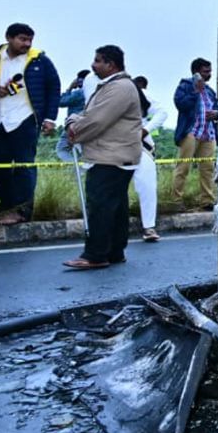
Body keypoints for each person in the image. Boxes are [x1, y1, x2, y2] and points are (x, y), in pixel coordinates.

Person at [62, 45, 142, 270]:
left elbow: (96, 121)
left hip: (111, 155)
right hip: (117, 154)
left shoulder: (119, 88)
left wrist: (73, 128)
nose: (93, 65)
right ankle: (115, 252)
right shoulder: (116, 86)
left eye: (98, 61)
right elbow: (91, 115)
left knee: (100, 206)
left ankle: (95, 255)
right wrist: (78, 120)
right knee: (115, 206)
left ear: (111, 64)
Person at [0, 23, 61, 225]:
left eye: (30, 40)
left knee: (25, 166)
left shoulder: (39, 60)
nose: (27, 43)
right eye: (22, 39)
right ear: (9, 38)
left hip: (25, 120)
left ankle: (22, 211)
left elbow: (53, 87)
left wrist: (49, 118)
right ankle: (6, 208)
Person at [173, 58, 218, 204]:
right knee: (183, 167)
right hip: (191, 132)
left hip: (208, 133)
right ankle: (176, 201)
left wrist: (217, 114)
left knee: (208, 169)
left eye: (210, 71)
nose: (209, 74)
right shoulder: (185, 86)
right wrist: (195, 92)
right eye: (206, 71)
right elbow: (180, 104)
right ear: (196, 72)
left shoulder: (210, 91)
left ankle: (207, 201)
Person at [132, 75, 168, 241]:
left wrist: (145, 130)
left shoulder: (140, 94)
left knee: (147, 186)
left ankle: (149, 227)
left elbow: (162, 112)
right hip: (114, 147)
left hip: (141, 147)